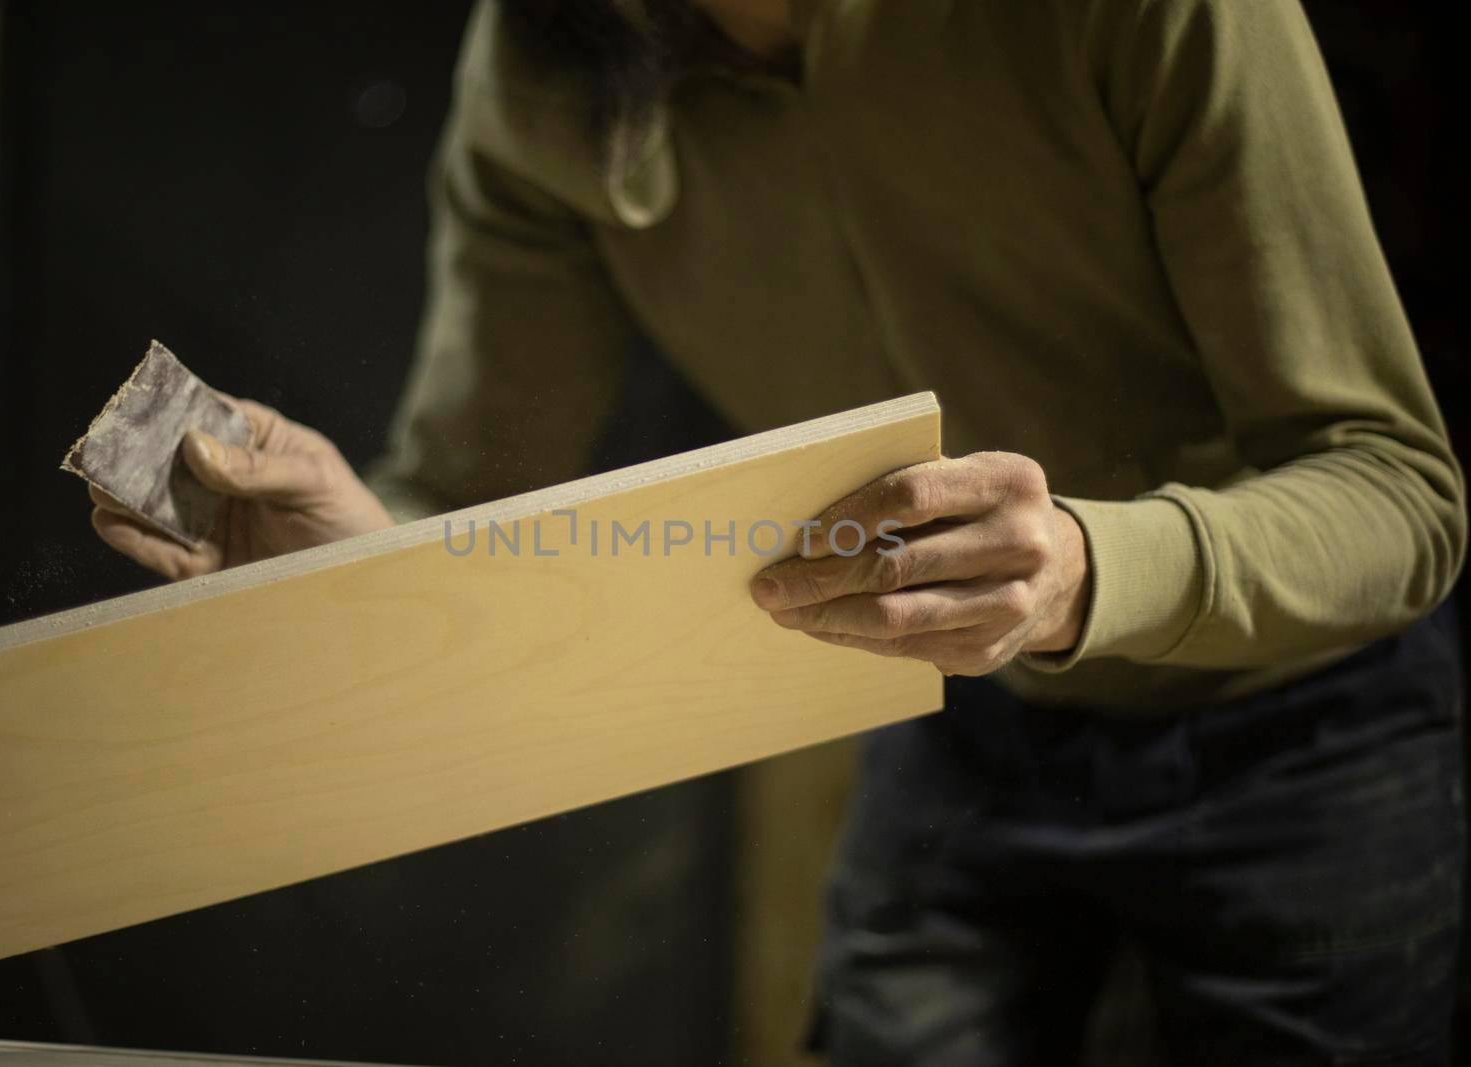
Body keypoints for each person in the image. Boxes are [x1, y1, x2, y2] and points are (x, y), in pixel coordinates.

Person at [89, 0, 1468, 1061]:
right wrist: (364, 570)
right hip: (957, 705)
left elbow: (1398, 490)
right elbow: (472, 500)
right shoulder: (544, 55)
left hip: (1307, 715)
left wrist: (1096, 568)